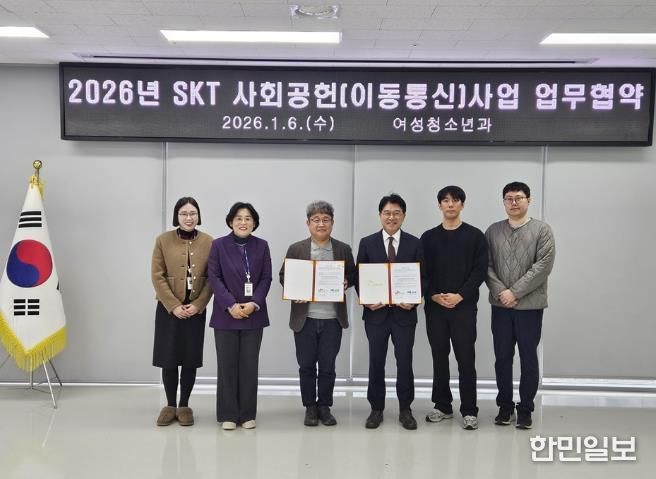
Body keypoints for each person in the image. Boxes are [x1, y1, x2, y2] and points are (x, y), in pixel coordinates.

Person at [279, 201, 356, 427]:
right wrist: (294, 291)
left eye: (325, 219)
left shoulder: (342, 249)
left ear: (332, 222)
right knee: (306, 365)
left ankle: (324, 406)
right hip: (305, 319)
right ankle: (310, 407)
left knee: (328, 366)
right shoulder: (296, 249)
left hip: (332, 318)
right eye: (316, 220)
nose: (321, 224)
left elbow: (352, 274)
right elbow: (284, 276)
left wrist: (346, 282)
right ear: (308, 223)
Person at [486, 181, 555, 430]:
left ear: (529, 200)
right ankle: (505, 406)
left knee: (528, 357)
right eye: (509, 198)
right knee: (502, 358)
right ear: (504, 202)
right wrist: (502, 292)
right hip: (500, 307)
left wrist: (514, 292)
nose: (514, 202)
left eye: (519, 198)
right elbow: (486, 265)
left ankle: (525, 408)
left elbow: (543, 266)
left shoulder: (542, 230)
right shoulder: (493, 231)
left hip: (530, 308)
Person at [421, 186, 487, 430]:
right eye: (446, 200)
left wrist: (460, 295)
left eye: (456, 200)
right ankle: (442, 406)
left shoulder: (475, 236)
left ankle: (469, 410)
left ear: (462, 205)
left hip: (464, 308)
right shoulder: (428, 238)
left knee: (465, 358)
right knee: (439, 357)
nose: (450, 204)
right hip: (436, 308)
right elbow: (422, 272)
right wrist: (433, 295)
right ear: (439, 205)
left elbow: (480, 271)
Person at [356, 193, 424, 430]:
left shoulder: (415, 243)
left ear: (403, 216)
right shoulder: (367, 242)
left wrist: (414, 301)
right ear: (380, 215)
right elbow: (359, 277)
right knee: (376, 362)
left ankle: (406, 409)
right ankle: (376, 409)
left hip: (404, 315)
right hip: (376, 315)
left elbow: (423, 277)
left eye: (396, 213)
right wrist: (366, 301)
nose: (391, 217)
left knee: (405, 362)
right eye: (387, 213)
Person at [208, 202, 272, 431]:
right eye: (238, 218)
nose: (243, 222)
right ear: (230, 222)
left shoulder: (262, 246)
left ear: (254, 223)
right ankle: (228, 414)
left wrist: (254, 303)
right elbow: (214, 277)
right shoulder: (218, 245)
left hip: (253, 315)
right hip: (226, 315)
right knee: (227, 366)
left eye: (248, 218)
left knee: (249, 366)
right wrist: (231, 305)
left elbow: (266, 278)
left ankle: (246, 414)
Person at [151, 197, 213, 427]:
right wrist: (173, 305)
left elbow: (212, 277)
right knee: (168, 358)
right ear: (176, 216)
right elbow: (157, 275)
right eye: (184, 214)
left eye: (193, 213)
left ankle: (184, 404)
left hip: (195, 310)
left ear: (198, 216)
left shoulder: (209, 242)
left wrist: (199, 304)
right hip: (168, 309)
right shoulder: (163, 240)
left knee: (190, 359)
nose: (189, 218)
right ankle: (170, 405)